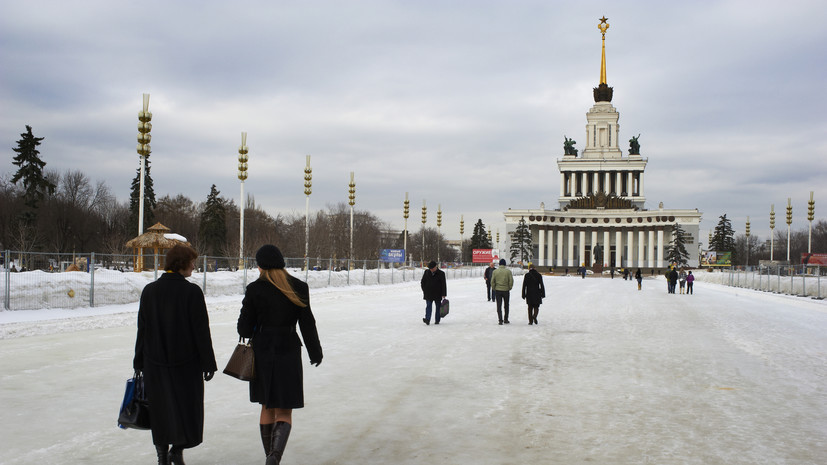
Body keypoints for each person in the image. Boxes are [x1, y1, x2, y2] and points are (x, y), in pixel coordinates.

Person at [237, 245, 323, 465]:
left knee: (267, 406)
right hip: (288, 350)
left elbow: (244, 329)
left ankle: (269, 456)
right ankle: (275, 458)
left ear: (260, 266)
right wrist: (315, 351)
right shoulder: (298, 287)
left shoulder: (255, 289)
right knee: (284, 410)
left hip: (263, 350)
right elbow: (307, 323)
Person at [133, 244, 217, 465]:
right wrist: (208, 363)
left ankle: (162, 456)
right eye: (191, 261)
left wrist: (138, 361)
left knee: (160, 411)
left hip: (154, 362)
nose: (193, 265)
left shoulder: (150, 291)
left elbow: (143, 329)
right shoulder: (192, 292)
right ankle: (177, 451)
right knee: (188, 411)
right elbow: (201, 331)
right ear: (181, 263)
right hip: (186, 365)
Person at [421, 260, 447, 325]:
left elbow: (443, 284)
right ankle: (427, 319)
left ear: (436, 267)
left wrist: (444, 294)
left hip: (438, 293)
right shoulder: (426, 272)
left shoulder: (441, 273)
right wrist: (425, 290)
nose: (431, 270)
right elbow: (422, 282)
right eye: (430, 269)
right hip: (428, 293)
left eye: (432, 268)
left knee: (438, 307)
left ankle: (437, 320)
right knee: (428, 306)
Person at [490, 258, 514, 324]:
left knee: (499, 305)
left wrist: (494, 288)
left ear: (499, 264)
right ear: (505, 264)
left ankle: (500, 320)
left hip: (498, 290)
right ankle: (506, 319)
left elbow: (492, 281)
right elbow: (511, 281)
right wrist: (509, 287)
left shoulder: (495, 271)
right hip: (506, 290)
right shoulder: (508, 271)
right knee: (506, 305)